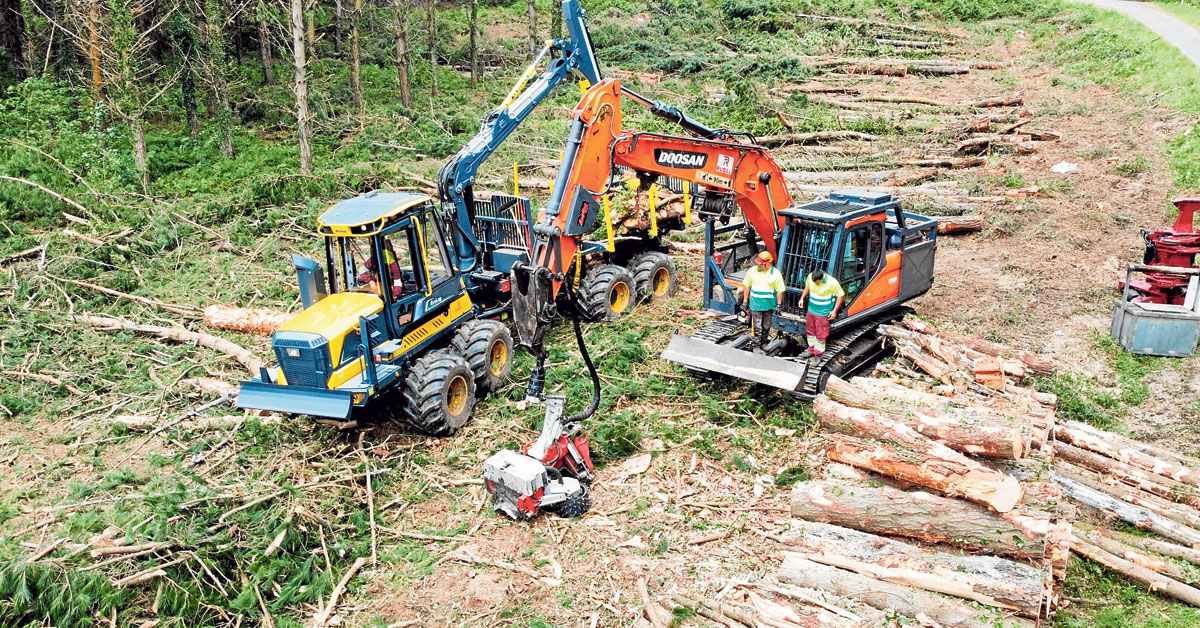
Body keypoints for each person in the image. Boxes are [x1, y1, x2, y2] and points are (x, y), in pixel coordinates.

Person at [741, 250, 786, 350]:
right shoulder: (752, 271)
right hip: (756, 304)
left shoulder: (776, 274)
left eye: (760, 264)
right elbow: (747, 286)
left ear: (767, 263)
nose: (758, 266)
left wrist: (779, 305)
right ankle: (756, 345)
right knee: (757, 326)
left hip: (768, 305)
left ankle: (763, 343)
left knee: (766, 326)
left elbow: (780, 290)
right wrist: (745, 301)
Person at [799, 269, 844, 357]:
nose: (815, 284)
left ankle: (818, 354)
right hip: (811, 309)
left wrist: (834, 311)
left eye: (817, 282)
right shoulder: (810, 277)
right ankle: (811, 349)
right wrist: (802, 298)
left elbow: (840, 296)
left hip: (823, 312)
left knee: (821, 333)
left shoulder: (832, 283)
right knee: (810, 330)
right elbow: (807, 286)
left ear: (822, 278)